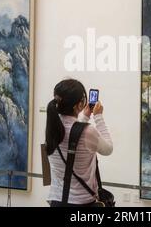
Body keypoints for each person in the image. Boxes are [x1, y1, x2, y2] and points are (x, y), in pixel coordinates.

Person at [46, 79, 113, 207]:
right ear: (78, 105)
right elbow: (108, 149)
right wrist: (98, 117)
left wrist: (85, 116)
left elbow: (72, 133)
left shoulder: (52, 128)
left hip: (57, 201)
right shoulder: (88, 132)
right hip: (82, 203)